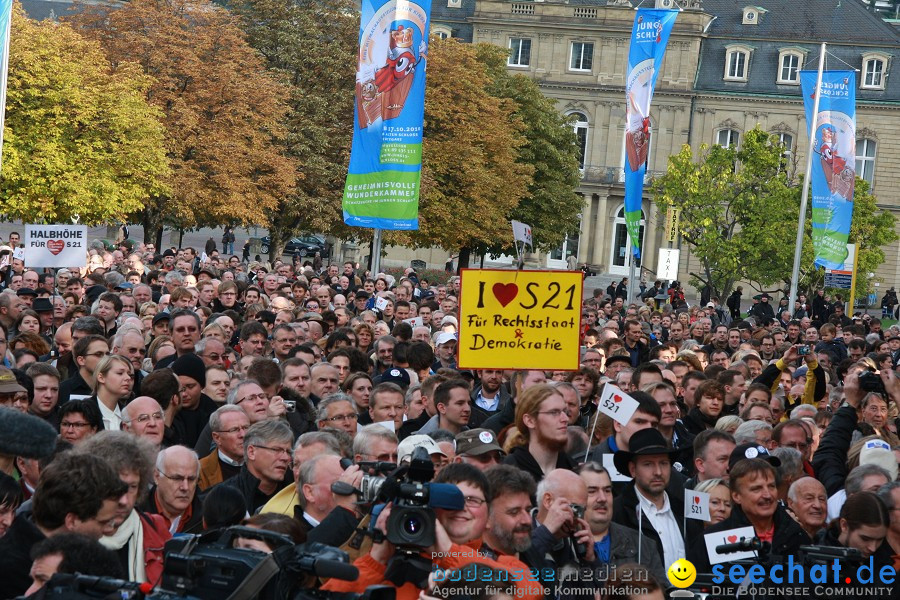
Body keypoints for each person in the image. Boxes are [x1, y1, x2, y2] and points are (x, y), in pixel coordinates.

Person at [0, 452, 128, 599]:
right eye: (103, 522)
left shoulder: (76, 557)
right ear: (72, 521)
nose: (107, 531)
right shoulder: (11, 571)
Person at [576, 462, 665, 581]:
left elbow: (660, 593)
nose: (602, 498)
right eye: (592, 491)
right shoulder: (561, 545)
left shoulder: (643, 545)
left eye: (607, 490)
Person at [611, 428, 685, 568]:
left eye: (663, 463)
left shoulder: (684, 510)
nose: (658, 472)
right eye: (648, 464)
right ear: (633, 470)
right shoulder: (617, 513)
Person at [503, 384, 576, 483]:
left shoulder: (573, 469)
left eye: (565, 411)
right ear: (530, 421)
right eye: (554, 412)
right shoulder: (508, 472)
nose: (565, 419)